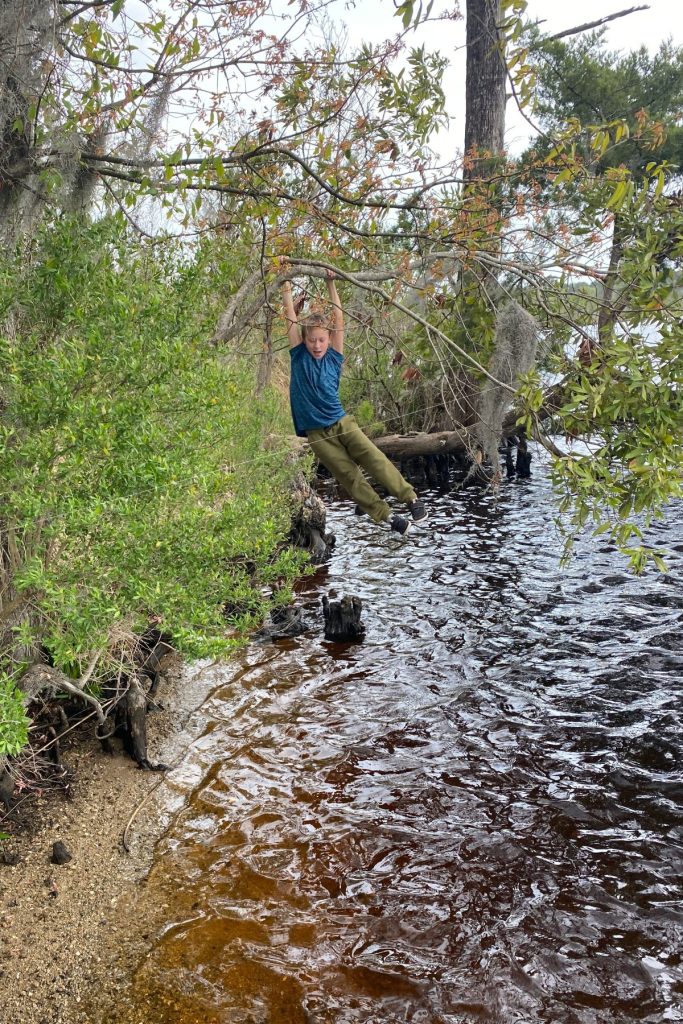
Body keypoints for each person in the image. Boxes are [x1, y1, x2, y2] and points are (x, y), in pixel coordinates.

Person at [282, 270, 428, 534]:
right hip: (316, 433)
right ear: (304, 341)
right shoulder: (298, 357)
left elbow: (338, 317)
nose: (317, 345)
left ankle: (411, 499)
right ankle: (387, 517)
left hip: (341, 421)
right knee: (349, 475)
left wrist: (330, 283)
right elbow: (291, 320)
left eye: (321, 340)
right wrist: (286, 288)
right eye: (312, 340)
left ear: (329, 339)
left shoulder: (334, 357)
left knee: (373, 457)